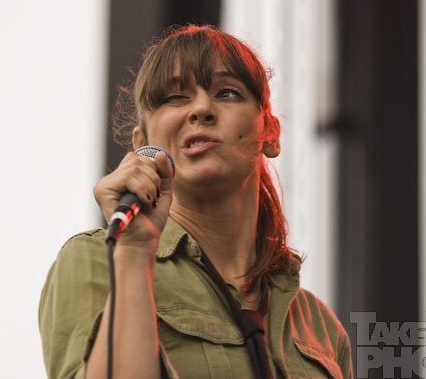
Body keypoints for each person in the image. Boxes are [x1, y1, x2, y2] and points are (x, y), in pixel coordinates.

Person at [39, 24, 353, 379]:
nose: (202, 108)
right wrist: (134, 254)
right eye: (175, 98)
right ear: (142, 144)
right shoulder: (99, 260)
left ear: (270, 133)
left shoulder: (320, 327)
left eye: (228, 93)